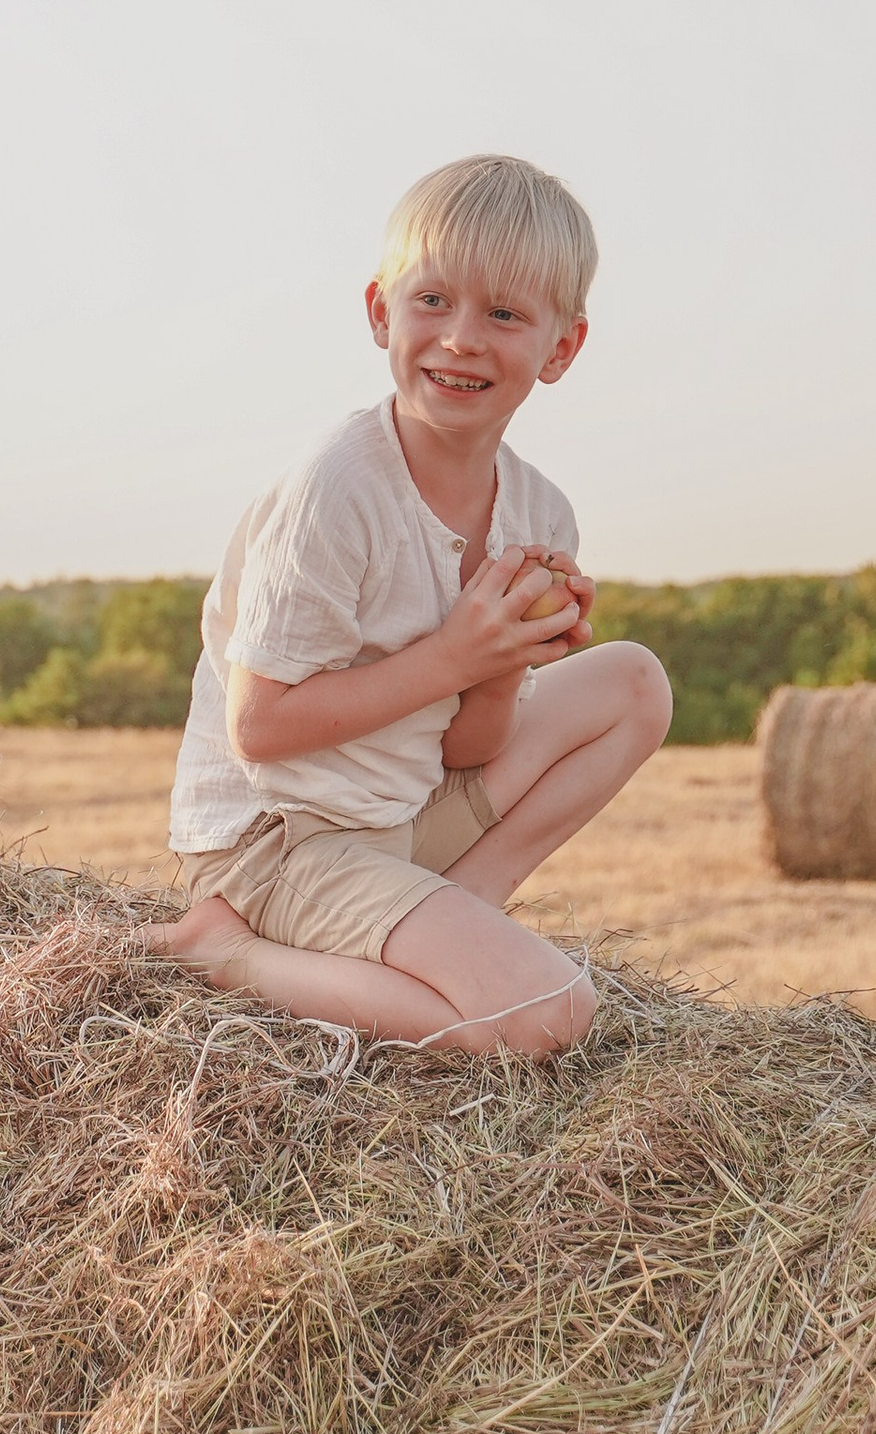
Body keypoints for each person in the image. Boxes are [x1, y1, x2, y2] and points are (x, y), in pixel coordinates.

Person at [143, 155, 670, 1058]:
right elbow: (260, 727)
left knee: (634, 682)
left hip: (397, 818)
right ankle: (229, 955)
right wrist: (457, 656)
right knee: (551, 1013)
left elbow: (467, 748)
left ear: (560, 349)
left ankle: (454, 914)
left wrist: (504, 666)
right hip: (278, 843)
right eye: (433, 302)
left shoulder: (540, 514)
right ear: (382, 311)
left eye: (503, 314)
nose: (461, 338)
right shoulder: (338, 492)